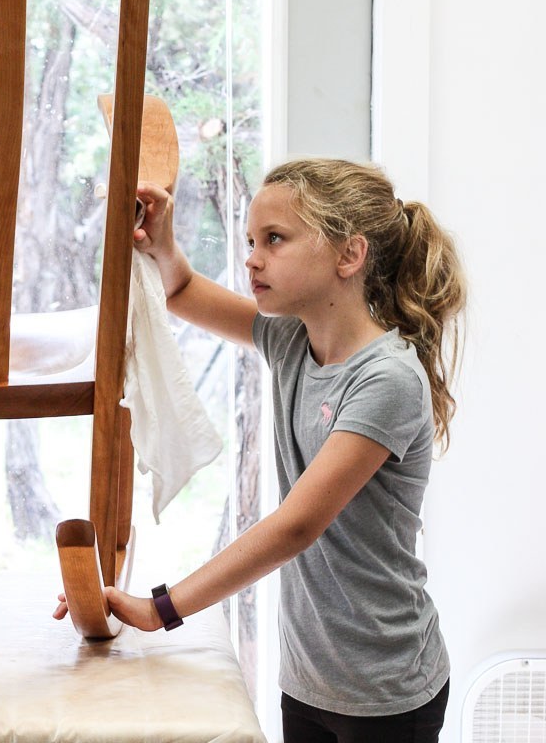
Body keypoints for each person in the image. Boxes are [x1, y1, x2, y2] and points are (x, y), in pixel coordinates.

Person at [55, 159, 465, 742]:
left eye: (274, 239)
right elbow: (182, 291)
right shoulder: (292, 339)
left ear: (349, 256)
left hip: (387, 684)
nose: (252, 257)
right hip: (308, 675)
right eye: (251, 240)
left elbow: (297, 526)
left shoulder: (388, 379)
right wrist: (164, 242)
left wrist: (161, 609)